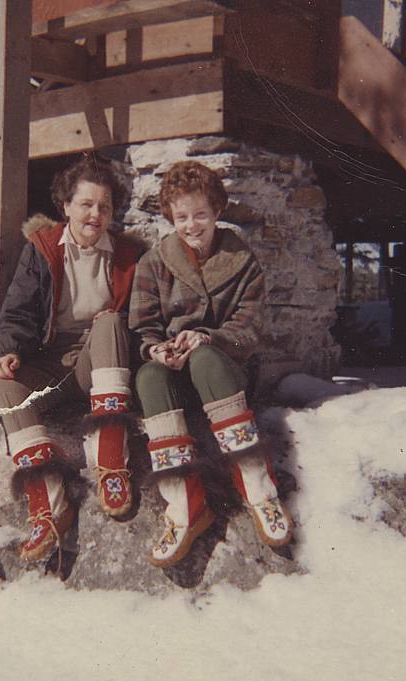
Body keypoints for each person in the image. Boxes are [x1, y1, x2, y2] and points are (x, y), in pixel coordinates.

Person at [129, 160, 292, 568]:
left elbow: (248, 328)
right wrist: (157, 350)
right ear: (170, 217)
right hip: (177, 371)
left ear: (217, 212)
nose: (191, 225)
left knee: (204, 358)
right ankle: (185, 506)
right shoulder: (154, 262)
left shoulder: (243, 261)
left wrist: (209, 338)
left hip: (226, 372)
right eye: (181, 216)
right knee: (149, 376)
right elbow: (143, 327)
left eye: (200, 214)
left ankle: (259, 490)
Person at [0, 156, 139, 564]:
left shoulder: (129, 255)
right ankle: (48, 501)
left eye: (104, 206)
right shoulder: (42, 250)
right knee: (5, 387)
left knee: (110, 321)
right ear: (66, 206)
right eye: (86, 204)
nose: (95, 214)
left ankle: (111, 461)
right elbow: (17, 312)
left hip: (102, 360)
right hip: (52, 363)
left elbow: (143, 318)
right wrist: (8, 353)